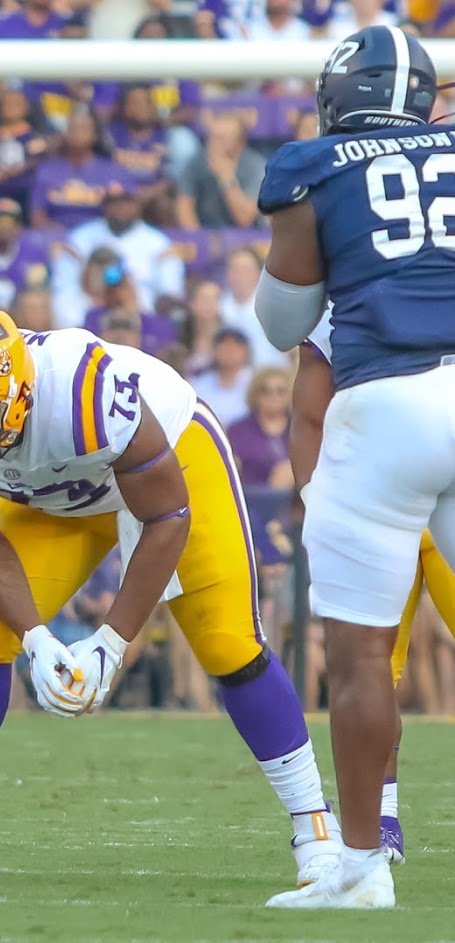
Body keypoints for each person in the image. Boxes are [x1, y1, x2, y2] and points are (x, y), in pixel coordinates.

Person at [0, 306, 338, 887]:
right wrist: (36, 638)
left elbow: (167, 516)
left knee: (228, 642)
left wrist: (113, 643)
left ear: (18, 397)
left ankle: (315, 827)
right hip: (50, 498)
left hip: (168, 463)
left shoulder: (84, 390)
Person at [256, 25, 455, 910]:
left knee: (361, 657)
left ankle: (363, 865)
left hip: (386, 404)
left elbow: (280, 319)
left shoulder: (312, 167)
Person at [291, 306, 455, 870]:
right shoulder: (352, 298)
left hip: (438, 493)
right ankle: (380, 823)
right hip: (376, 506)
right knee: (370, 667)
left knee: (365, 666)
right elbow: (308, 411)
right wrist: (319, 503)